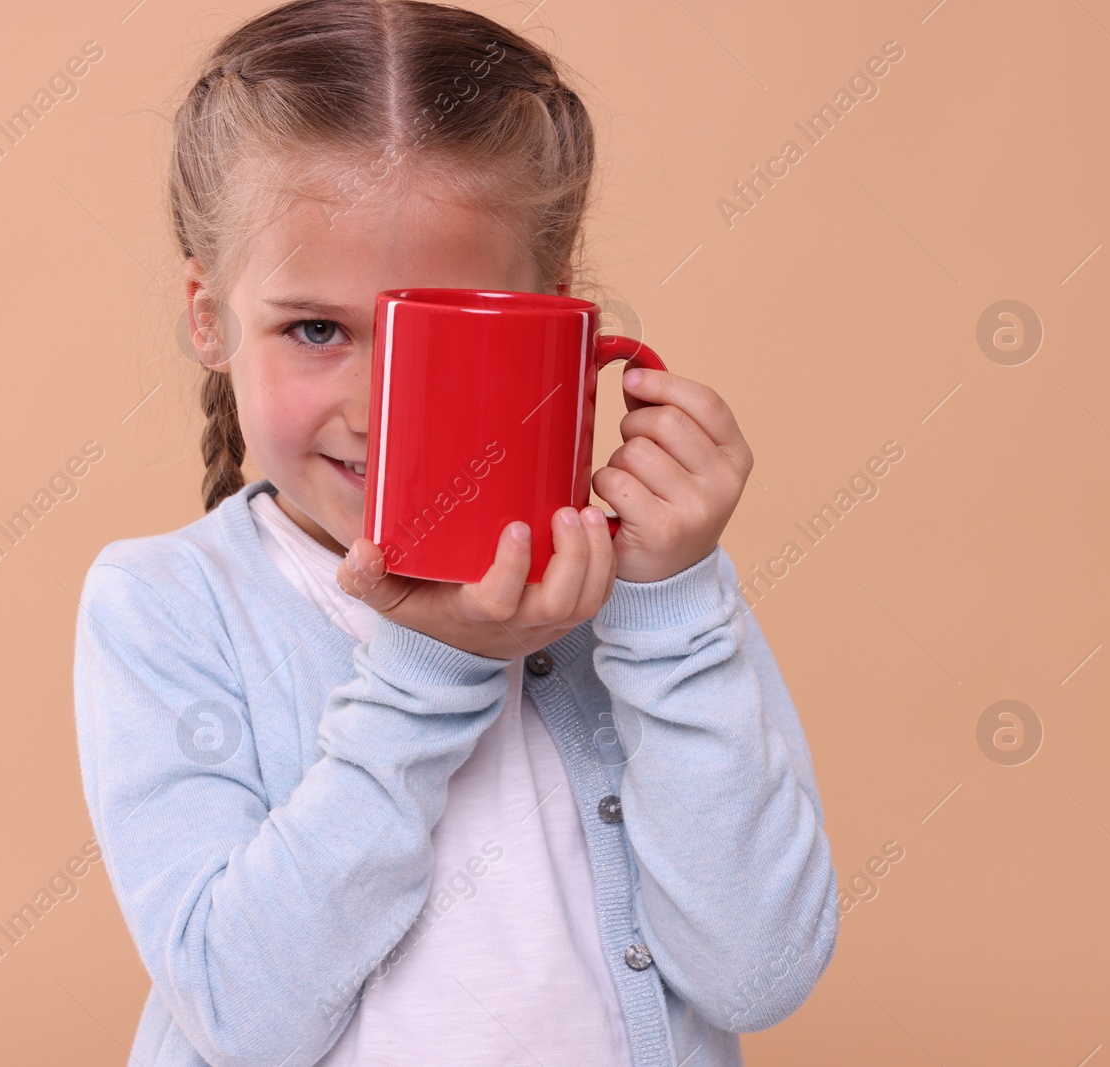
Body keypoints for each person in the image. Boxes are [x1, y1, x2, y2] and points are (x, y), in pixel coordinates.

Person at [73, 2, 838, 1064]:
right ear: (210, 319)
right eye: (314, 329)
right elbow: (243, 1018)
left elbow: (759, 970)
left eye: (444, 332)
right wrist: (431, 665)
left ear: (555, 319)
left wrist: (674, 603)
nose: (380, 406)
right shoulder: (163, 604)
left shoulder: (645, 590)